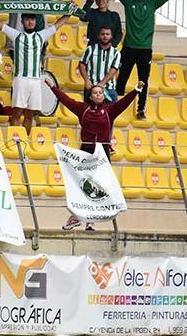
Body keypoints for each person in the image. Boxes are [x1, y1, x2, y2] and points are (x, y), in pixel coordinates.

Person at [46, 78, 143, 231]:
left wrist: (136, 90)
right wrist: (52, 87)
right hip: (86, 152)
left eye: (100, 93)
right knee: (83, 187)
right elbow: (65, 100)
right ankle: (75, 217)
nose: (98, 95)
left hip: (102, 154)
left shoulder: (109, 110)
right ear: (90, 96)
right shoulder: (82, 109)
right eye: (95, 93)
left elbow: (123, 103)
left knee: (100, 187)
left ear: (103, 96)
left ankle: (91, 221)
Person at [99, 0, 187, 119]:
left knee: (143, 81)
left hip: (145, 49)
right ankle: (114, 105)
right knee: (121, 78)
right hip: (128, 47)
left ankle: (141, 110)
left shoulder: (152, 3)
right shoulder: (129, 1)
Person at [0, 11, 71, 132]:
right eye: (27, 19)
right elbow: (0, 24)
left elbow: (57, 25)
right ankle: (15, 140)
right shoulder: (16, 35)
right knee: (17, 112)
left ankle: (25, 141)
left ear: (35, 22)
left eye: (32, 19)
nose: (30, 22)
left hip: (36, 80)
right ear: (22, 22)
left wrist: (68, 13)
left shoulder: (41, 36)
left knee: (30, 113)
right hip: (20, 79)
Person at [79, 26, 121, 102]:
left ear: (111, 36)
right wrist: (86, 80)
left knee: (113, 112)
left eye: (107, 34)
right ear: (99, 35)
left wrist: (102, 84)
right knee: (89, 112)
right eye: (103, 34)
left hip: (109, 88)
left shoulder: (116, 53)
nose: (105, 36)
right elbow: (82, 64)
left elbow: (114, 69)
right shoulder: (90, 49)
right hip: (91, 87)